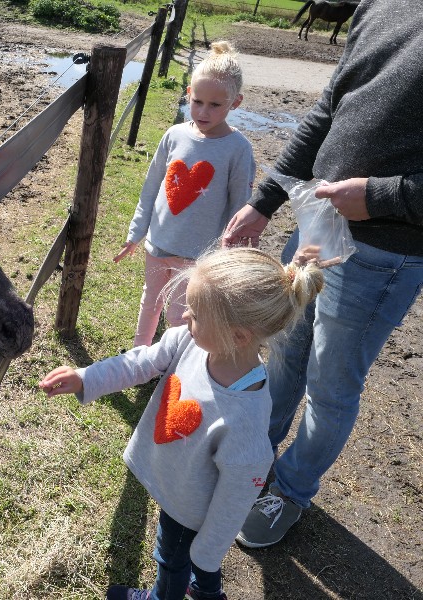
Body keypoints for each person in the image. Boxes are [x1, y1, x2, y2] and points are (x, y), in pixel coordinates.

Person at [221, 0, 423, 549]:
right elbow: (328, 110)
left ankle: (289, 488)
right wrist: (265, 199)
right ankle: (257, 454)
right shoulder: (382, 5)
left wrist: (385, 197)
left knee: (331, 385)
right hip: (316, 229)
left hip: (384, 251)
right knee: (285, 350)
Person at [39, 247, 324, 600]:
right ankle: (206, 593)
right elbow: (140, 363)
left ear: (238, 336)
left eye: (196, 313)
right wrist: (86, 377)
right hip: (179, 486)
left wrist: (206, 554)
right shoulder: (191, 340)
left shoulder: (244, 418)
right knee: (184, 560)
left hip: (190, 510)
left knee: (173, 559)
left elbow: (235, 499)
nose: (184, 315)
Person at [114, 41, 255, 348]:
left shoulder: (238, 149)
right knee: (150, 300)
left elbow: (239, 207)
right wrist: (136, 232)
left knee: (180, 314)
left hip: (198, 255)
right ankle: (141, 356)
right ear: (189, 93)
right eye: (198, 101)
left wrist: (227, 255)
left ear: (236, 102)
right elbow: (152, 187)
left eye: (215, 105)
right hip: (159, 243)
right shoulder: (174, 135)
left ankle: (171, 365)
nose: (204, 111)